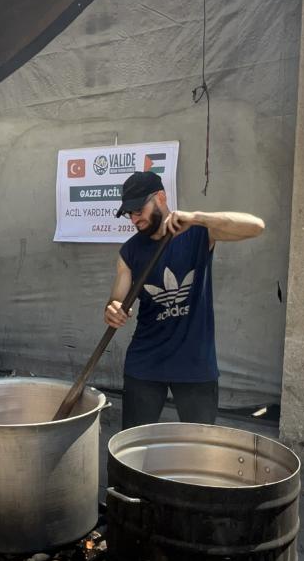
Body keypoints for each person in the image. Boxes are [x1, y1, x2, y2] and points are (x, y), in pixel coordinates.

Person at [104, 171, 265, 429]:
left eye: (139, 210)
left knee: (199, 443)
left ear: (161, 197)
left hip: (195, 362)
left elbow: (256, 226)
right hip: (146, 362)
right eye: (129, 214)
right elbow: (116, 299)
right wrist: (112, 310)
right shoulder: (129, 251)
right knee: (132, 442)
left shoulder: (198, 233)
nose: (135, 219)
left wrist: (197, 218)